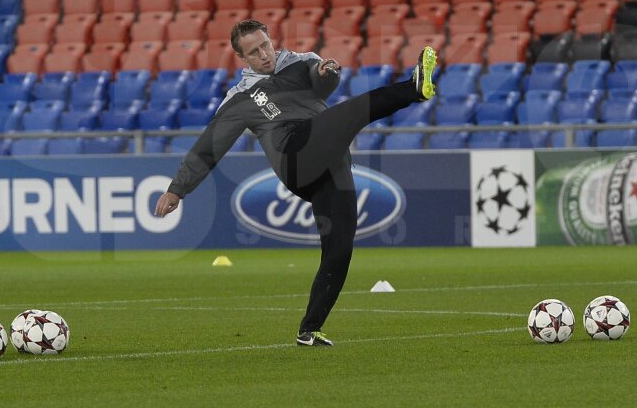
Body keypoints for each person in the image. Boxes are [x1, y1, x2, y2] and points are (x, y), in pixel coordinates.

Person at [154, 19, 438, 347]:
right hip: (295, 157)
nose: (264, 54)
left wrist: (327, 73)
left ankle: (309, 330)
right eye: (253, 52)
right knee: (352, 112)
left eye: (265, 45)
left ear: (270, 40)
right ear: (241, 58)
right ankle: (413, 88)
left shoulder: (301, 62)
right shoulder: (240, 97)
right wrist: (178, 189)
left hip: (330, 163)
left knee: (339, 248)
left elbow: (323, 81)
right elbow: (209, 146)